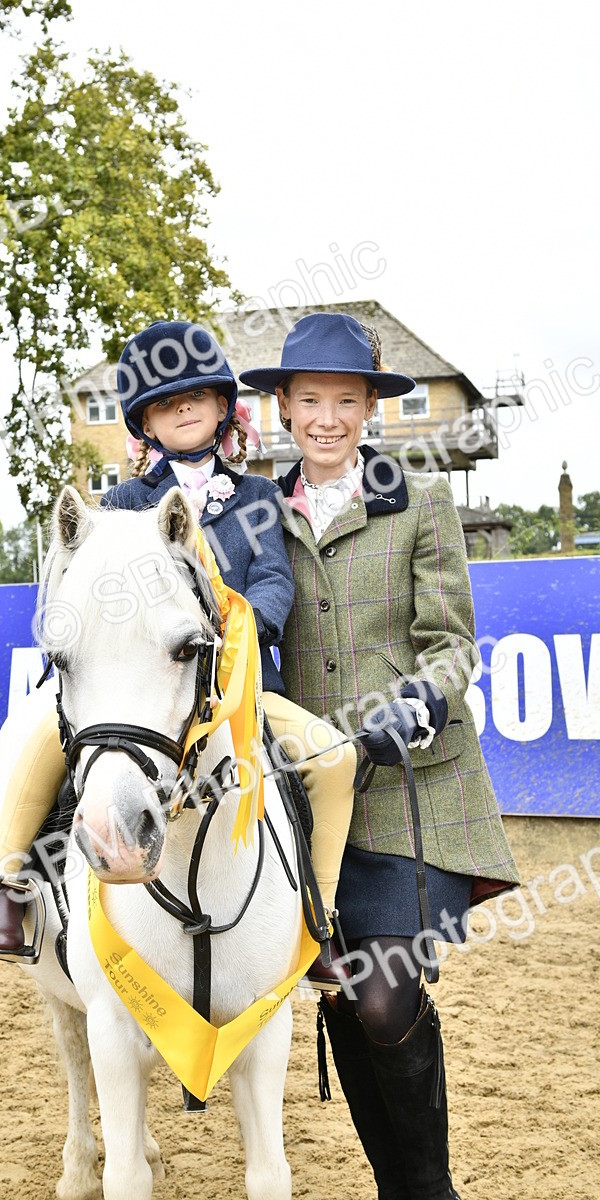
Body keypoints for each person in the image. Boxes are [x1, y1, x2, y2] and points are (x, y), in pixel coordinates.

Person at [0, 320, 355, 974]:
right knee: (36, 732)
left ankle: (320, 919)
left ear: (222, 405)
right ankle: (3, 888)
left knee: (335, 757)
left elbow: (272, 580)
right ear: (144, 421)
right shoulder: (122, 502)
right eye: (164, 403)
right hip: (143, 694)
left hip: (239, 695)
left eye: (196, 396)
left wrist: (236, 629)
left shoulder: (258, 496)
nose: (182, 409)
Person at [239, 311, 520, 1200]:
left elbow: (453, 644)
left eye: (345, 402)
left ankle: (429, 1189)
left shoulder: (421, 501)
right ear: (284, 408)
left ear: (370, 409)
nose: (327, 419)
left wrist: (421, 700)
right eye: (310, 401)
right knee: (344, 997)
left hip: (409, 788)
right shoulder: (255, 516)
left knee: (386, 998)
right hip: (308, 803)